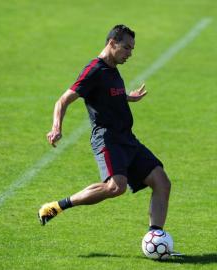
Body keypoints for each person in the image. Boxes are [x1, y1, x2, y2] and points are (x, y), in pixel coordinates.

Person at [38, 25, 171, 232]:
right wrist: (56, 128)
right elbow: (62, 100)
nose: (130, 54)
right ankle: (55, 207)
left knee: (161, 181)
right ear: (111, 43)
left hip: (127, 138)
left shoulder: (112, 69)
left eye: (132, 49)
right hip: (108, 139)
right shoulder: (94, 70)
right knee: (115, 187)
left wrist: (128, 97)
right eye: (126, 48)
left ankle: (156, 236)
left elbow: (108, 93)